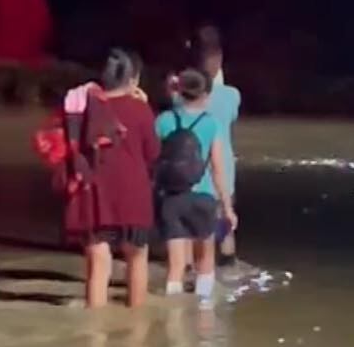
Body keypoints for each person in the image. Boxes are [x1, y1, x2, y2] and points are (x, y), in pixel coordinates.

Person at [62, 49, 159, 308]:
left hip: (95, 197)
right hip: (132, 196)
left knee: (98, 266)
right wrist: (145, 105)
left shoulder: (85, 108)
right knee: (137, 259)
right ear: (134, 79)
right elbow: (153, 153)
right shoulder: (140, 110)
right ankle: (137, 332)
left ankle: (96, 337)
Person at [154, 69, 237, 298]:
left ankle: (173, 319)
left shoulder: (164, 120)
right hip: (203, 197)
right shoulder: (211, 124)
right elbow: (218, 169)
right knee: (205, 259)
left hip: (171, 198)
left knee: (176, 264)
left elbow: (152, 160)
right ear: (205, 94)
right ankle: (204, 312)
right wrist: (227, 208)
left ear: (179, 90)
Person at [191, 27, 242, 264]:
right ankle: (228, 274)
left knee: (194, 237)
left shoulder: (181, 96)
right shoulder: (231, 95)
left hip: (191, 177)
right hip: (223, 177)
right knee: (225, 231)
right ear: (219, 60)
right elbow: (230, 120)